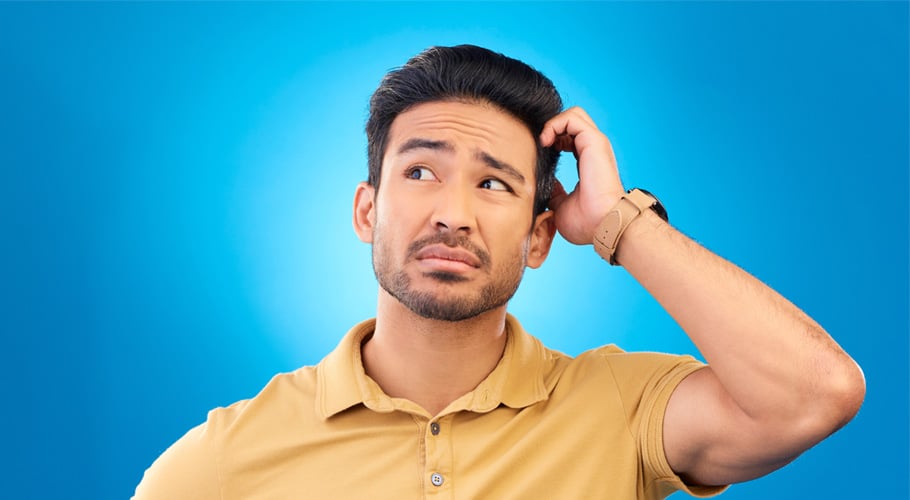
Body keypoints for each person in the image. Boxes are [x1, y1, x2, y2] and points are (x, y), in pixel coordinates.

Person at [132, 44, 865, 499]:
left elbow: (815, 393)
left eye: (494, 184)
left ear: (540, 236)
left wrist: (619, 222)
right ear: (366, 211)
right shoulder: (224, 463)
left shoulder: (618, 412)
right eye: (421, 170)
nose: (453, 213)